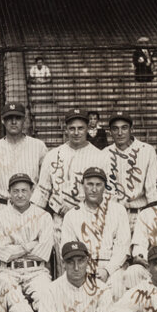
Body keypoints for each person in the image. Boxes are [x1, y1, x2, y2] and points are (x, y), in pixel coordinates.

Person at [32, 107, 108, 263]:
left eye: (81, 128)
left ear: (88, 128)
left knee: (89, 264)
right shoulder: (53, 155)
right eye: (72, 128)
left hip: (89, 218)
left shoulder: (100, 156)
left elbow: (106, 193)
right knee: (63, 265)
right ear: (65, 129)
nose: (76, 132)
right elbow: (42, 191)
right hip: (59, 218)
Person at [0, 173, 54, 310]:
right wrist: (31, 245)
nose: (20, 195)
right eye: (15, 191)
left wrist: (14, 249)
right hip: (8, 272)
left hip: (37, 271)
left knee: (46, 296)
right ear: (9, 193)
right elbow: (3, 254)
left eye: (24, 190)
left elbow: (43, 253)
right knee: (6, 299)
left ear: (32, 192)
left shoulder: (44, 216)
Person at [61, 167, 130, 288]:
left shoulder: (118, 210)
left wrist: (107, 271)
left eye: (98, 185)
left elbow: (122, 247)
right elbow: (68, 249)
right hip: (82, 267)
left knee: (117, 287)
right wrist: (84, 270)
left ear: (105, 187)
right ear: (83, 185)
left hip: (112, 267)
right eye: (90, 184)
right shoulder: (72, 215)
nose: (94, 189)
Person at [104, 110, 157, 228]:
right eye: (115, 129)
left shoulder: (147, 150)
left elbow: (153, 191)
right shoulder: (103, 154)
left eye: (124, 128)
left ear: (132, 129)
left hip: (140, 213)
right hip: (113, 215)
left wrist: (153, 217)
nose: (120, 133)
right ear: (110, 132)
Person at [0, 103, 48, 214]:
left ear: (24, 120)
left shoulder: (38, 146)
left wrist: (37, 206)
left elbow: (45, 181)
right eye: (9, 118)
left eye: (18, 118)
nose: (14, 122)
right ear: (2, 121)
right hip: (2, 207)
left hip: (31, 207)